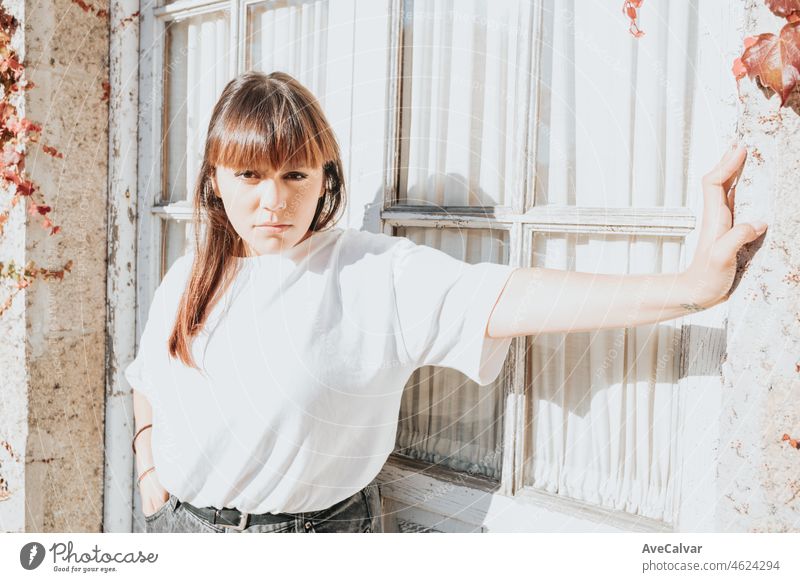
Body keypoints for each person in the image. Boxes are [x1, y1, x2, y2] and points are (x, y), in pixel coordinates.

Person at [126, 71, 767, 533]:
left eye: (296, 173)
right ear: (215, 180)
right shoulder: (188, 273)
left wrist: (688, 289)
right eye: (250, 175)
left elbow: (513, 295)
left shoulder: (373, 273)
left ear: (326, 178)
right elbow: (148, 377)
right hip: (180, 529)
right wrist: (149, 466)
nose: (274, 201)